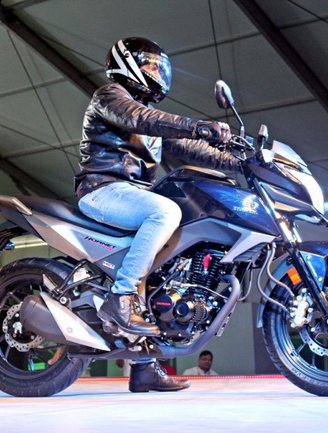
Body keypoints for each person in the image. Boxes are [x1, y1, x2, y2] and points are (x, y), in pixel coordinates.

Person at [76, 37, 239, 393]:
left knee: (162, 272)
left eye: (158, 67)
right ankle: (120, 296)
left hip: (133, 197)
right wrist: (199, 125)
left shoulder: (151, 121)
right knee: (166, 210)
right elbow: (141, 118)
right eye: (148, 64)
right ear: (127, 64)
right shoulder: (111, 96)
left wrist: (241, 161)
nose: (156, 72)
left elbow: (192, 148)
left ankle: (144, 368)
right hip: (103, 189)